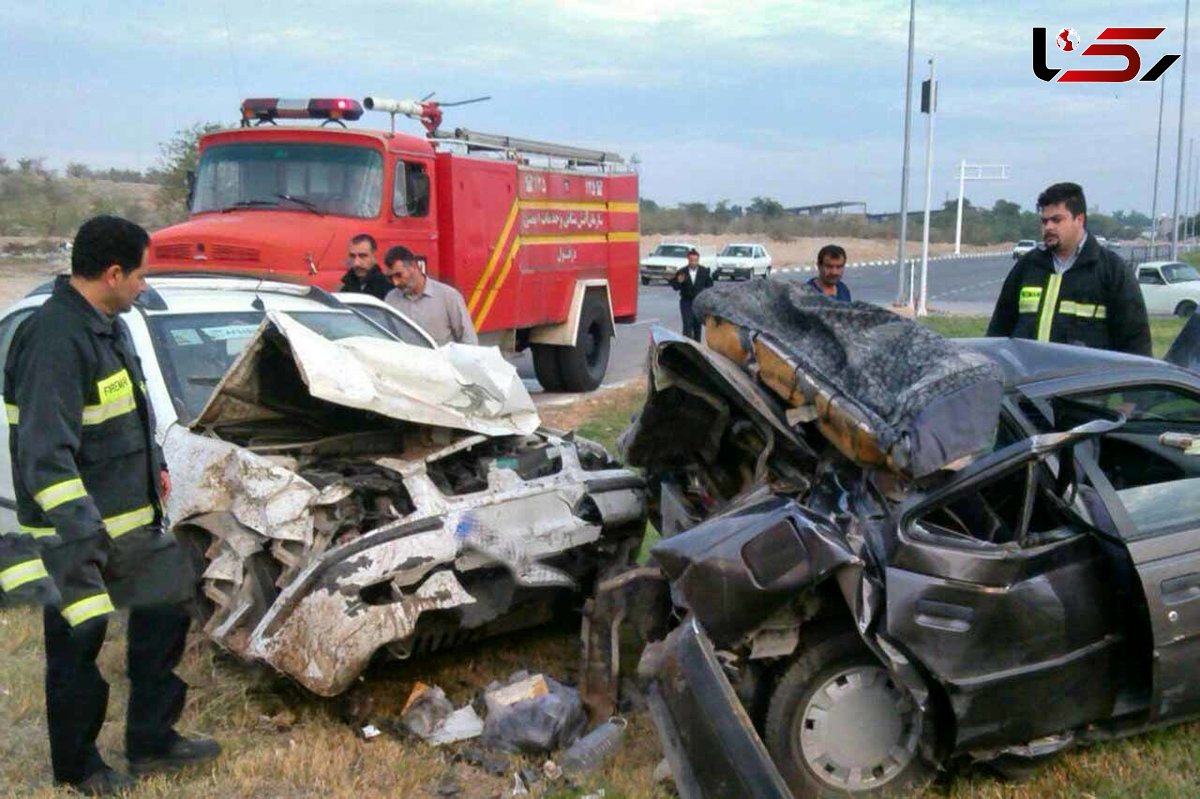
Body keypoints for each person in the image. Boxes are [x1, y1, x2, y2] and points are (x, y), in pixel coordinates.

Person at [5, 216, 220, 795]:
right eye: (142, 275)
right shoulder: (55, 340)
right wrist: (81, 534)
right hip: (78, 536)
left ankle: (152, 740)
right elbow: (45, 456)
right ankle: (78, 767)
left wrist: (159, 468)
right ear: (113, 273)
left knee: (167, 609)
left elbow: (124, 414)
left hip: (132, 527)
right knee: (77, 652)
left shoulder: (109, 324)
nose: (145, 287)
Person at [987, 182, 1151, 356]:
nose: (1048, 227)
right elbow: (998, 333)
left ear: (1079, 220)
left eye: (1057, 220)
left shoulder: (1112, 271)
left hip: (1083, 382)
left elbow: (1136, 345)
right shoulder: (1027, 267)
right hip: (1031, 380)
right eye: (1044, 221)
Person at [384, 245, 478, 345]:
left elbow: (469, 340)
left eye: (399, 275)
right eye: (390, 278)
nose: (395, 283)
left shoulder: (448, 297)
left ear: (414, 266)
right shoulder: (391, 300)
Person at [671, 247, 713, 341]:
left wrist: (705, 297)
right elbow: (675, 286)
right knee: (687, 325)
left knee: (697, 326)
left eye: (696, 260)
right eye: (692, 260)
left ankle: (697, 348)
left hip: (699, 303)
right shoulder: (682, 271)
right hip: (686, 302)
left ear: (698, 260)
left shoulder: (704, 271)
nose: (694, 262)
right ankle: (686, 347)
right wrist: (679, 281)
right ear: (688, 260)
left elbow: (710, 285)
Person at [338, 234, 391, 300]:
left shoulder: (387, 289)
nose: (356, 263)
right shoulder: (344, 287)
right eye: (352, 256)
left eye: (363, 256)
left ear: (374, 255)